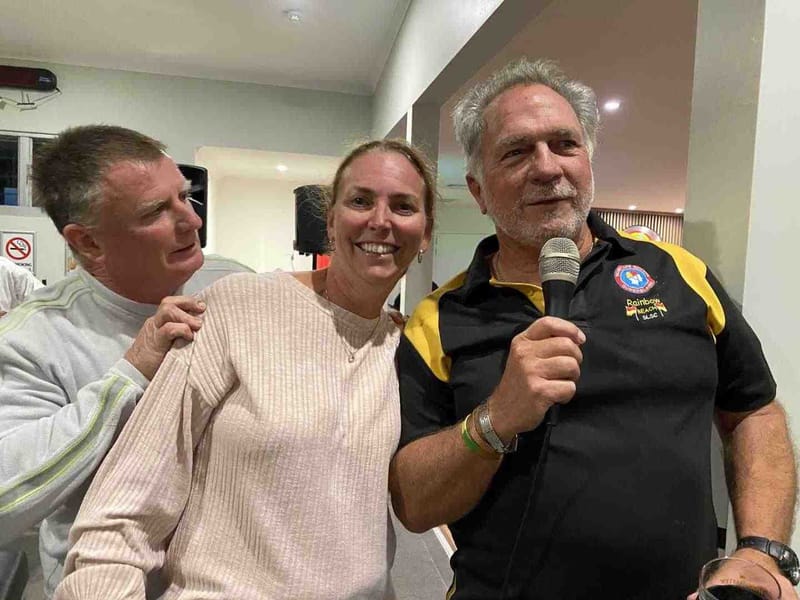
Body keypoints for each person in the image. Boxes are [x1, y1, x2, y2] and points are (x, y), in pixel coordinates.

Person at [388, 58, 798, 600]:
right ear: (479, 190)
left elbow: (754, 409)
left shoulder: (680, 274)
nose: (547, 167)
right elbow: (414, 504)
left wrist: (761, 549)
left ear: (588, 161)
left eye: (565, 144)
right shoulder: (437, 321)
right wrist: (495, 419)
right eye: (516, 152)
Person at [54, 139, 435, 599]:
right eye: (360, 200)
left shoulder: (405, 345)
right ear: (330, 221)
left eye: (403, 206)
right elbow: (121, 512)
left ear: (425, 234)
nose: (380, 220)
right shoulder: (237, 307)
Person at [0, 125, 252, 597]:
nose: (191, 221)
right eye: (157, 210)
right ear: (89, 243)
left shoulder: (232, 280)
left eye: (184, 195)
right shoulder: (32, 339)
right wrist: (130, 374)